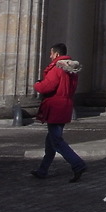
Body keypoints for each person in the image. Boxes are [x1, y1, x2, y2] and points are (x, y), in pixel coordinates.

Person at [31, 43, 86, 182]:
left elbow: (47, 87)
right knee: (51, 141)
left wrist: (37, 84)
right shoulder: (71, 68)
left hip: (56, 106)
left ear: (56, 54)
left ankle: (78, 164)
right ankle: (42, 170)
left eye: (51, 53)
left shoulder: (57, 68)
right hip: (65, 104)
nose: (50, 56)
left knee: (56, 141)